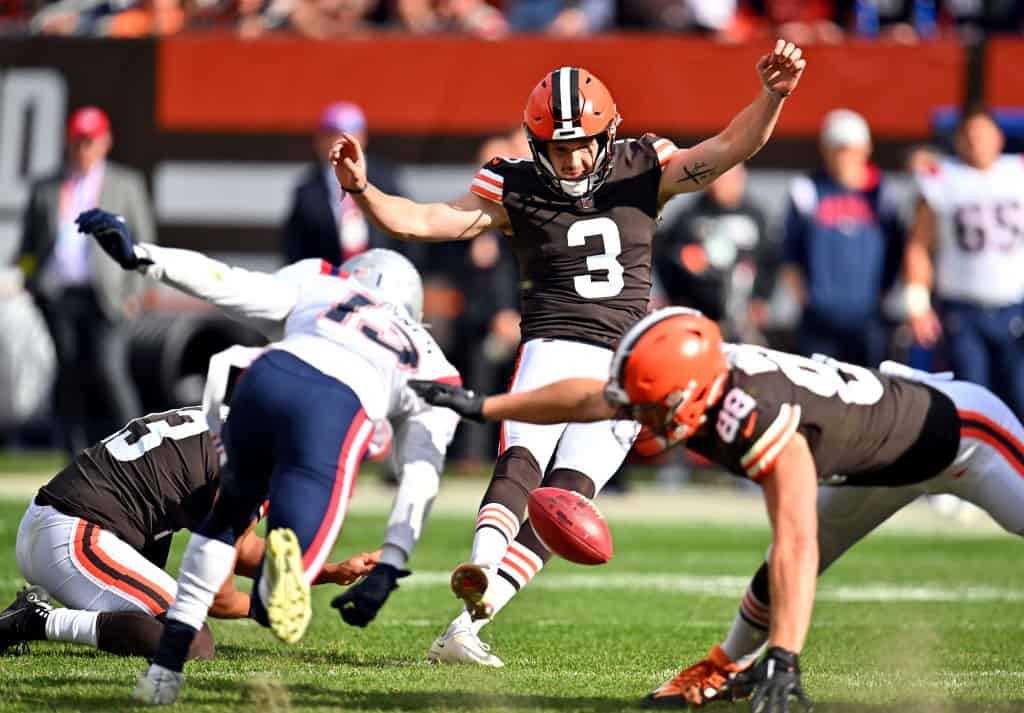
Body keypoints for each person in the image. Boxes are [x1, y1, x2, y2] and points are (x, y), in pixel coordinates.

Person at [330, 40, 807, 666]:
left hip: (625, 361)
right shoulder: (513, 185)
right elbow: (422, 220)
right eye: (559, 145)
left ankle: (468, 627)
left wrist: (771, 96)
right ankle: (479, 565)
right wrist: (363, 189)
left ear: (608, 133)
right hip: (554, 345)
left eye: (583, 141)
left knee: (567, 501)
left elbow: (728, 150)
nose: (574, 155)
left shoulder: (646, 166)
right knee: (524, 461)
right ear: (537, 143)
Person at [410, 308, 1024, 711]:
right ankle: (723, 666)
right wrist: (487, 406)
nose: (640, 423)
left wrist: (787, 656)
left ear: (694, 396)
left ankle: (764, 661)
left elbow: (797, 541)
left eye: (651, 410)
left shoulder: (751, 412)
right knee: (774, 573)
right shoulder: (689, 381)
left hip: (960, 436)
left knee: (791, 550)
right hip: (874, 462)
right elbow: (595, 398)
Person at [74, 208, 462, 705]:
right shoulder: (432, 361)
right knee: (294, 567)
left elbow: (227, 283)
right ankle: (278, 578)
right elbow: (420, 476)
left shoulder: (324, 282)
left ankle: (163, 675)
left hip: (259, 380)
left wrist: (144, 258)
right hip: (329, 414)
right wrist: (391, 563)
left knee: (221, 526)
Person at [1, 403, 378, 659]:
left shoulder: (241, 428)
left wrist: (326, 572)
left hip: (69, 529)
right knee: (192, 641)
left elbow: (240, 548)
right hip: (74, 536)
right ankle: (34, 621)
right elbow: (217, 597)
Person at [17, 106, 156, 457]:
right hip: (58, 295)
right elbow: (30, 247)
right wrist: (28, 279)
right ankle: (74, 456)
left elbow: (144, 242)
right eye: (78, 141)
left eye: (90, 141)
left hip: (107, 296)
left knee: (108, 368)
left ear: (105, 142)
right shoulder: (48, 188)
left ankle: (140, 448)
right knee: (67, 374)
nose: (83, 149)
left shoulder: (125, 184)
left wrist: (135, 293)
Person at [904, 106, 1024, 419]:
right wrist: (917, 303)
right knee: (973, 401)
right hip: (962, 309)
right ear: (957, 140)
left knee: (1019, 394)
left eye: (983, 133)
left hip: (1015, 305)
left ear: (999, 138)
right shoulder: (942, 177)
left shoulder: (1017, 172)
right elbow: (919, 244)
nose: (976, 141)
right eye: (969, 135)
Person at [779, 108, 904, 367]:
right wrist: (806, 298)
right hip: (819, 317)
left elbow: (898, 249)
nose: (845, 157)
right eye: (839, 149)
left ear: (865, 150)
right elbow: (790, 252)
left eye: (851, 149)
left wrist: (883, 295)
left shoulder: (881, 194)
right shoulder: (807, 191)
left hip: (867, 316)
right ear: (826, 151)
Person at [653, 162, 775, 341]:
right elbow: (665, 255)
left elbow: (771, 261)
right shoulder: (689, 216)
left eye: (729, 178)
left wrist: (762, 298)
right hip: (698, 319)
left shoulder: (756, 216)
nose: (721, 184)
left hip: (743, 320)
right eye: (718, 178)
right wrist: (677, 297)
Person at [282, 101, 406, 266]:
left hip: (380, 276)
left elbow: (405, 233)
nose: (339, 143)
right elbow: (295, 247)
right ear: (319, 140)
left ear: (362, 137)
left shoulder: (386, 179)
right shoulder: (307, 191)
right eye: (332, 135)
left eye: (348, 136)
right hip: (330, 281)